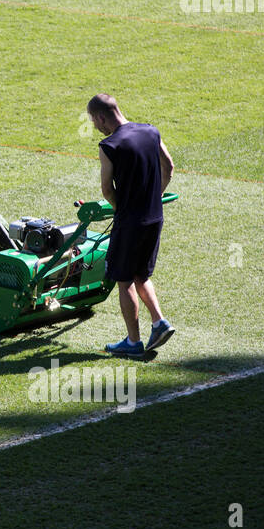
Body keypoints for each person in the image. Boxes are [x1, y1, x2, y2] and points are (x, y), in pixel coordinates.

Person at [86, 94, 176, 357]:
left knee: (123, 279)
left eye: (94, 120)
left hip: (130, 221)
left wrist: (120, 208)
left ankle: (133, 342)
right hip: (154, 217)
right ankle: (159, 322)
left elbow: (106, 189)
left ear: (102, 117)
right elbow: (168, 166)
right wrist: (155, 197)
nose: (94, 127)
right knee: (141, 275)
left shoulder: (109, 145)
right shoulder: (151, 131)